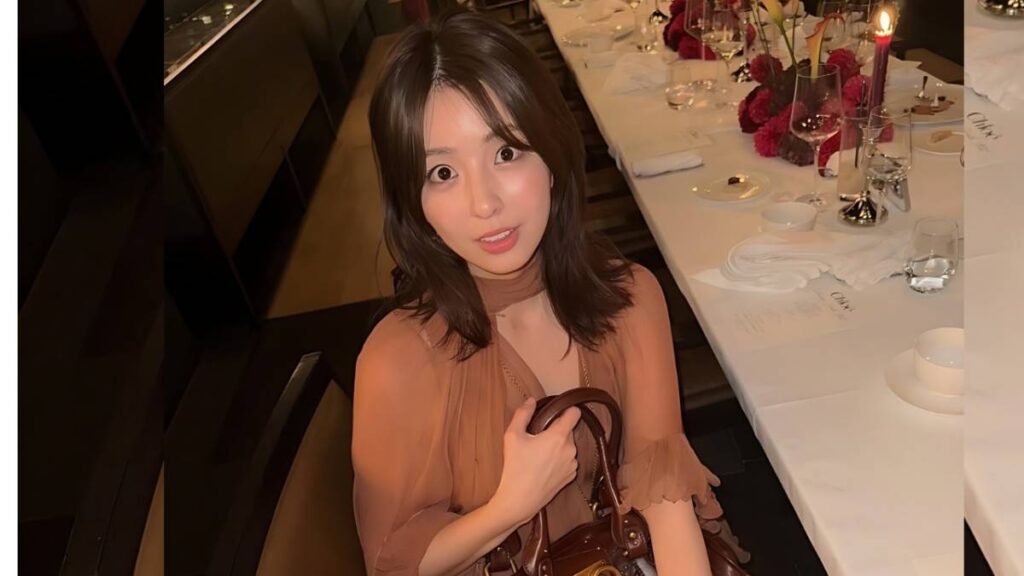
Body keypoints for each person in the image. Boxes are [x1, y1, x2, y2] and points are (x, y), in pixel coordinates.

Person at [352, 9, 727, 575]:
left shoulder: (630, 299)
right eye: (443, 174)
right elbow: (392, 562)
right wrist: (510, 506)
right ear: (416, 204)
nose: (484, 204)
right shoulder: (398, 358)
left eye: (506, 152)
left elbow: (663, 494)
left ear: (552, 157)